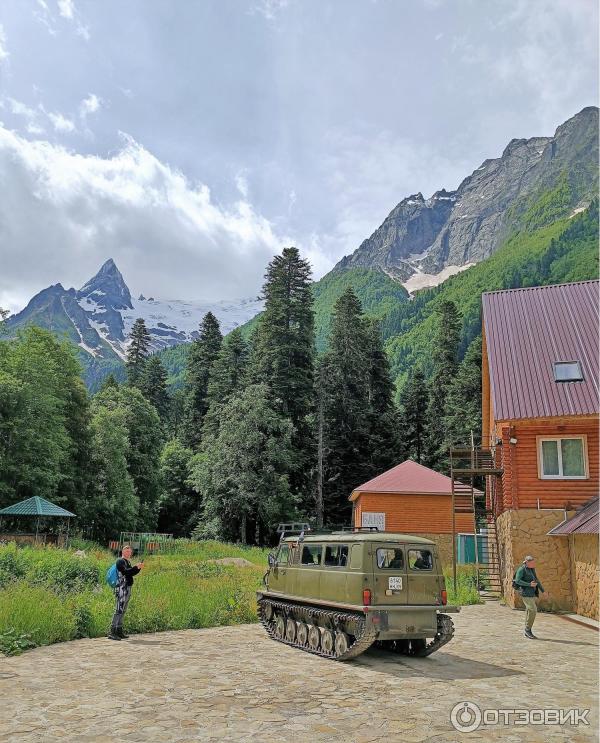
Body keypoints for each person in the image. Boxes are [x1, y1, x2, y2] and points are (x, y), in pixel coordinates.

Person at [108, 545, 144, 641]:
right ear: (123, 552)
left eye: (130, 552)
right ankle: (112, 632)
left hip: (127, 588)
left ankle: (119, 631)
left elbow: (131, 573)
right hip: (121, 588)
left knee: (123, 610)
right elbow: (125, 572)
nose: (129, 553)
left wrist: (138, 568)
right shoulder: (120, 561)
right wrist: (135, 567)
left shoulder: (127, 562)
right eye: (127, 551)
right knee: (118, 609)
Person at [514, 555, 546, 639]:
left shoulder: (532, 569)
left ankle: (527, 630)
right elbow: (517, 581)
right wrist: (529, 584)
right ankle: (528, 630)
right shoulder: (522, 569)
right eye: (532, 563)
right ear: (527, 562)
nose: (534, 564)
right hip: (525, 593)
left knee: (529, 610)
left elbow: (536, 580)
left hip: (531, 593)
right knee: (533, 610)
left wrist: (543, 591)